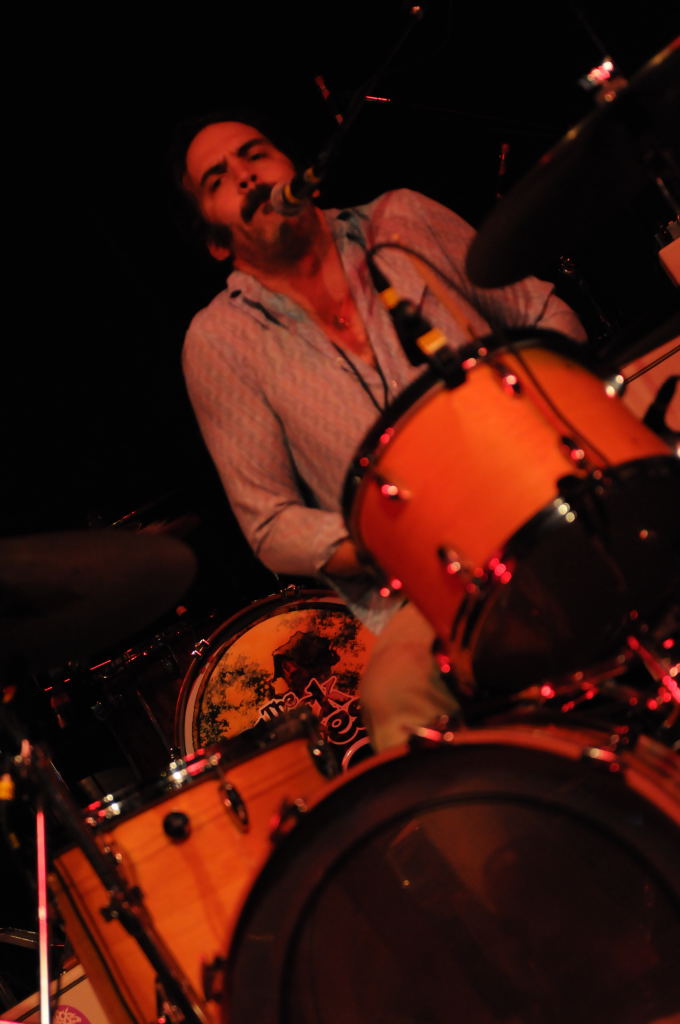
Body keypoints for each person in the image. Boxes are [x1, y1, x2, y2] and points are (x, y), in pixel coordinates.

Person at [177, 114, 587, 750]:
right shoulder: (219, 341)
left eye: (254, 154)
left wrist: (542, 424)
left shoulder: (401, 218)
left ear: (296, 168)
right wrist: (400, 537)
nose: (247, 176)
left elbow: (543, 315)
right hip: (426, 590)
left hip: (546, 493)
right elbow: (271, 523)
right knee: (396, 696)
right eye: (218, 181)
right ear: (216, 243)